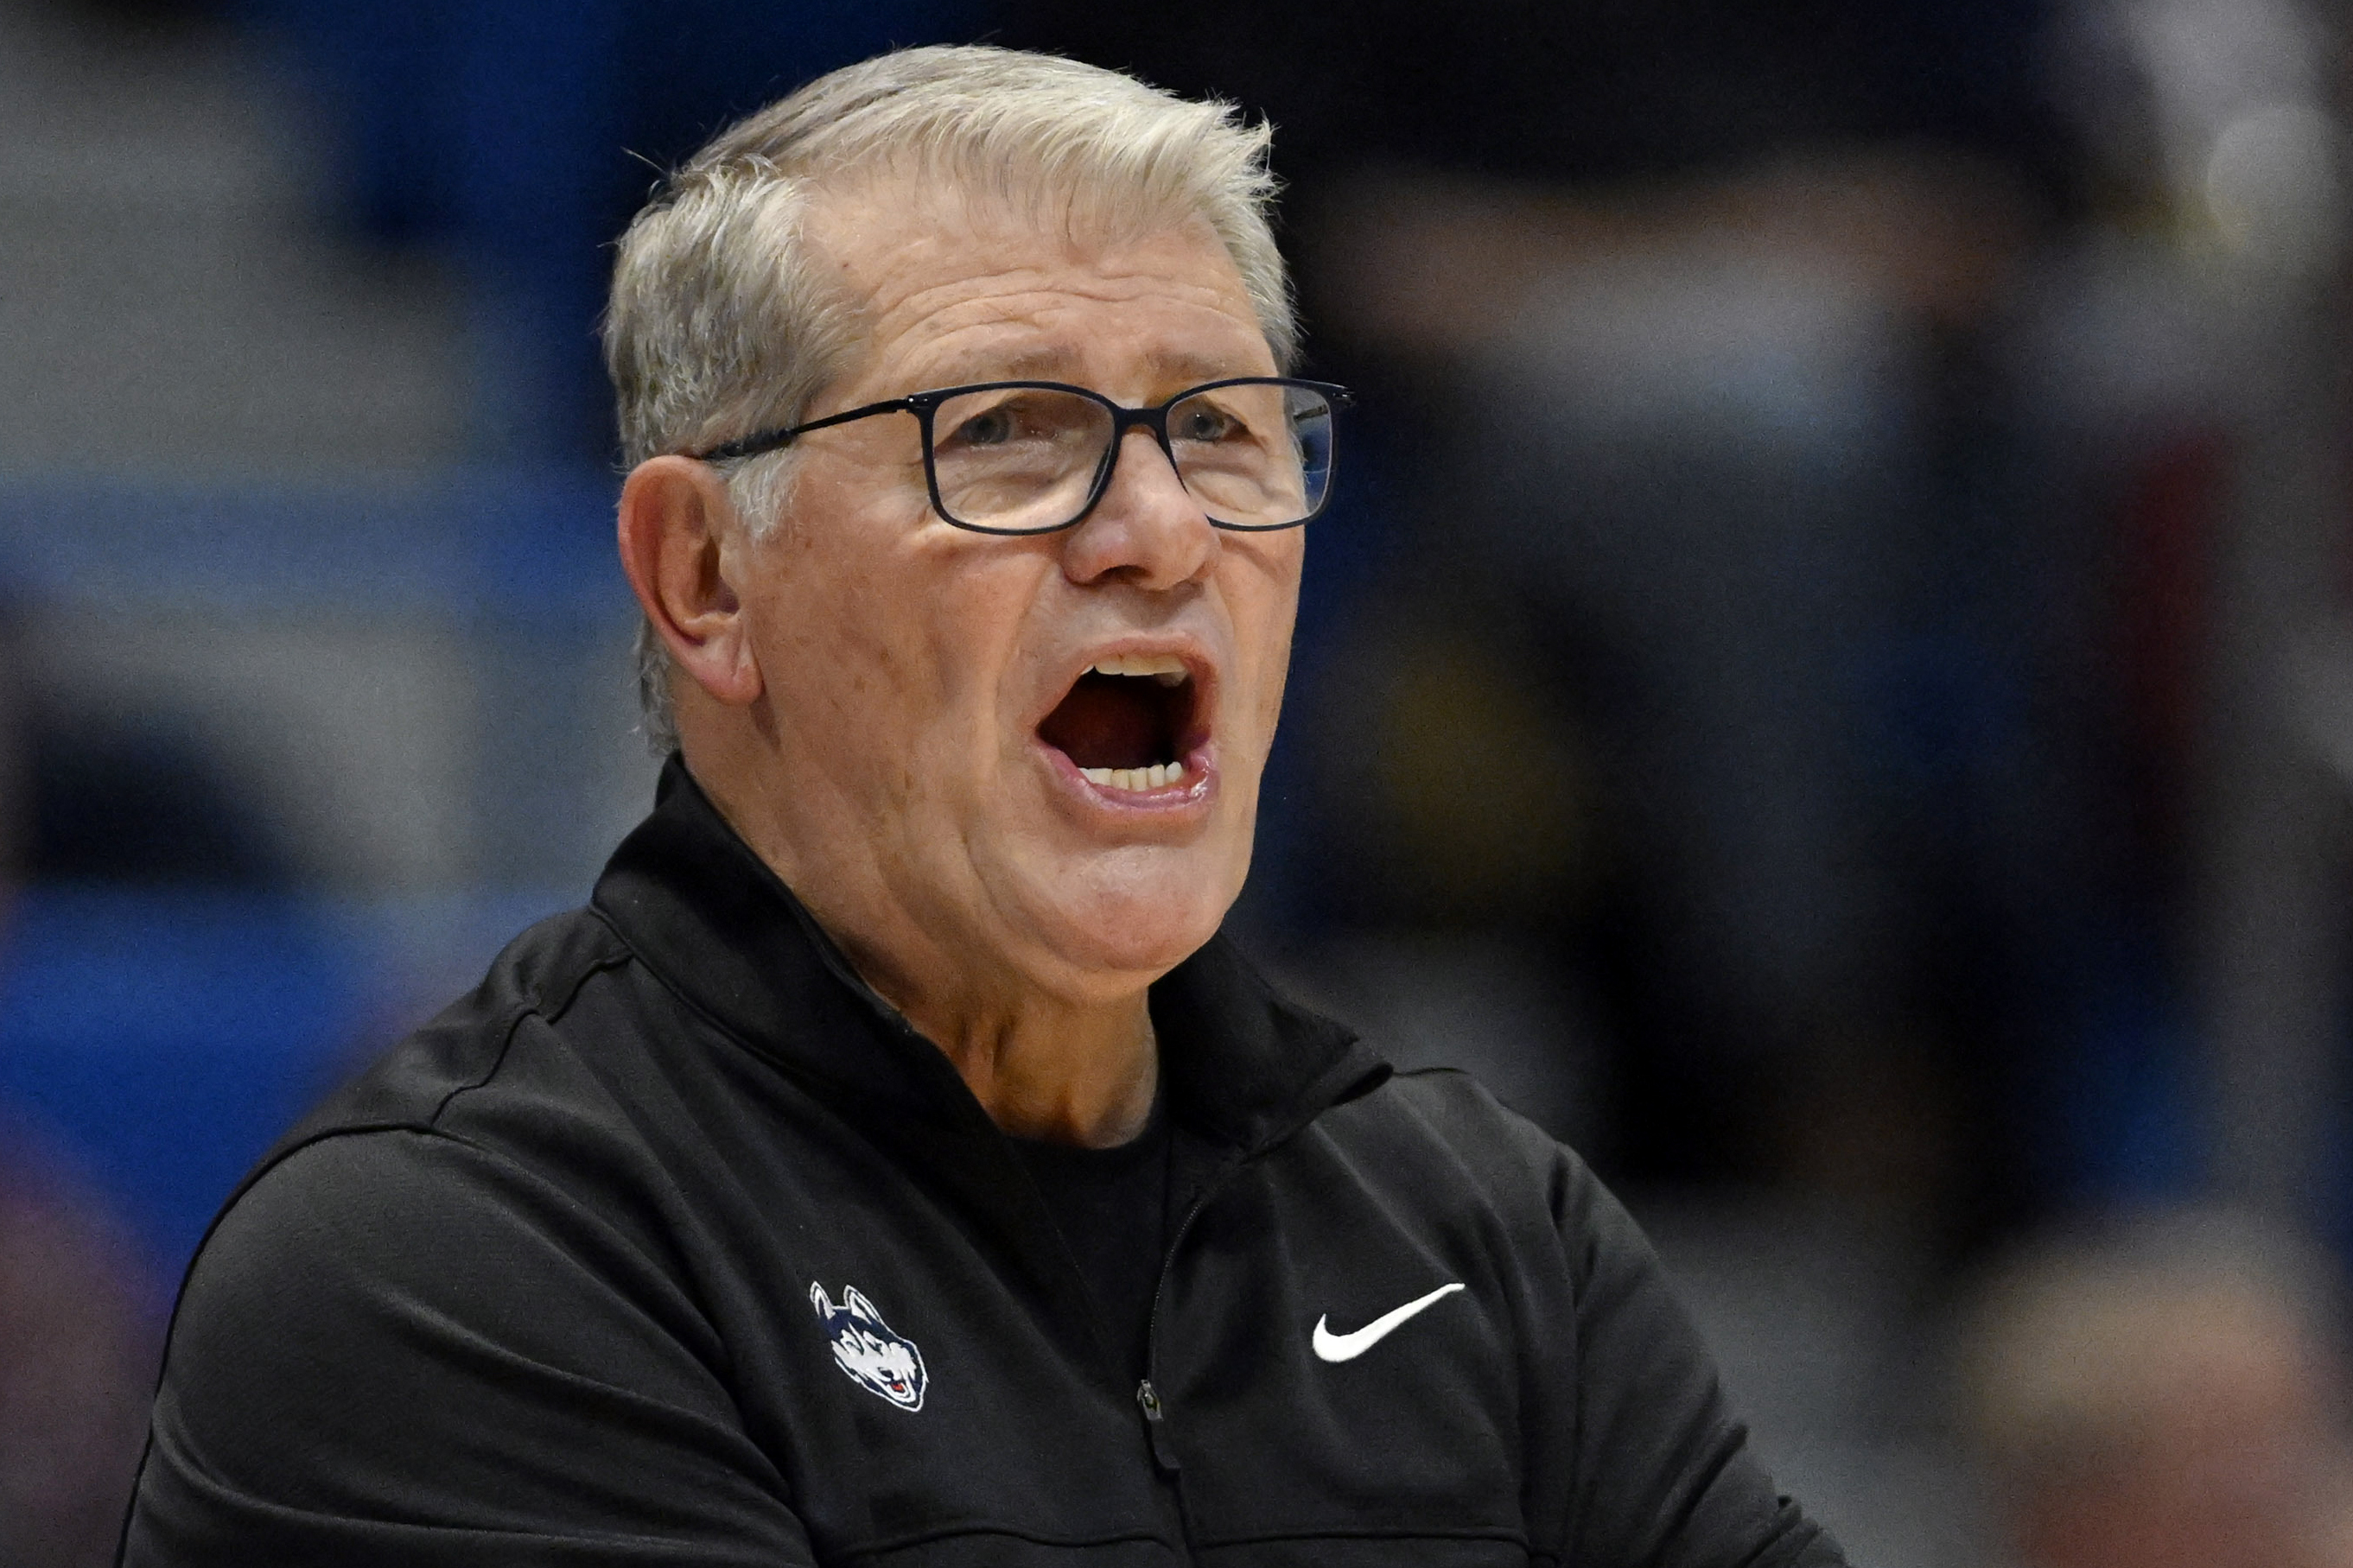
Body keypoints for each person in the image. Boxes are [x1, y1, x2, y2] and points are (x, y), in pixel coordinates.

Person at [118, 46, 1845, 1567]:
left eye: (1226, 427)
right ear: (708, 575)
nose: (1162, 529)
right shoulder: (448, 1265)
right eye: (1009, 431)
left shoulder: (1484, 1232)